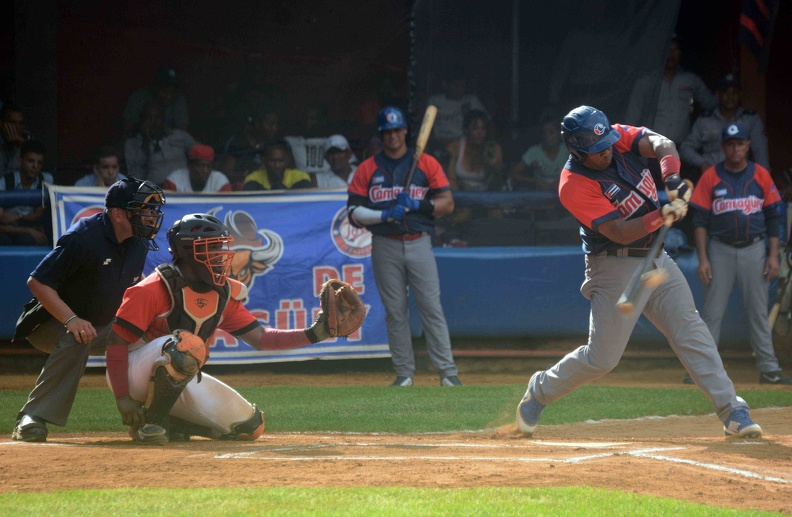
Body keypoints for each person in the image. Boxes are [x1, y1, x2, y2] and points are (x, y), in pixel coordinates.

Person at [516, 105, 764, 440]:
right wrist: (662, 214)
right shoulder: (572, 183)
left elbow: (662, 144)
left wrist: (672, 179)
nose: (605, 152)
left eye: (607, 145)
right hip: (613, 265)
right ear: (575, 150)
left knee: (690, 329)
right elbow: (618, 231)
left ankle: (732, 410)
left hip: (655, 258)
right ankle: (541, 389)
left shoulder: (614, 138)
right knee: (602, 358)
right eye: (595, 151)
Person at [104, 213, 342, 443]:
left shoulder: (222, 293)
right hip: (133, 373)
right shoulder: (153, 289)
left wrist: (314, 333)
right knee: (186, 346)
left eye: (221, 246)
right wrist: (122, 398)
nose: (220, 255)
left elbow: (261, 338)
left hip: (176, 373)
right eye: (212, 247)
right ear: (187, 251)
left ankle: (169, 421)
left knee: (249, 427)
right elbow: (116, 343)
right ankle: (151, 424)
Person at [10, 178, 165, 442]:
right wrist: (72, 319)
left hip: (103, 323)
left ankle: (146, 417)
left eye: (153, 210)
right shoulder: (83, 238)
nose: (151, 216)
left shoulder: (138, 242)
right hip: (51, 323)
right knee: (81, 334)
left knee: (156, 341)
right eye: (143, 209)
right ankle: (32, 416)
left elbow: (131, 289)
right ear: (118, 214)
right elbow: (37, 282)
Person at [347, 106, 462, 387]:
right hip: (384, 244)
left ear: (405, 131)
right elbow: (353, 213)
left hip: (419, 242)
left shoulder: (426, 163)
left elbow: (447, 204)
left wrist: (418, 204)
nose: (393, 136)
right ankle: (404, 374)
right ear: (381, 135)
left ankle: (447, 373)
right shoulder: (367, 168)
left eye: (397, 130)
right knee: (395, 311)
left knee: (430, 308)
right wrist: (384, 215)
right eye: (388, 132)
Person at [689, 123, 792, 385]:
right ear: (724, 147)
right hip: (719, 249)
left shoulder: (761, 175)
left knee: (758, 312)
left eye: (740, 144)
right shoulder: (711, 176)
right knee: (712, 313)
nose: (735, 149)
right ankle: (705, 371)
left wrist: (772, 255)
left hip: (754, 250)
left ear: (748, 145)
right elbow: (699, 220)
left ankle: (769, 368)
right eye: (731, 144)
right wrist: (703, 258)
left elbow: (772, 216)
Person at [625, 36, 717, 146]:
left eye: (675, 50)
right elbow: (632, 118)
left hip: (682, 148)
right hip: (652, 149)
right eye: (668, 50)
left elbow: (712, 105)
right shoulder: (646, 82)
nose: (671, 54)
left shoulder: (691, 80)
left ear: (681, 53)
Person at [681, 74, 770, 178]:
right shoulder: (705, 121)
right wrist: (702, 163)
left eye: (734, 92)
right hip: (712, 177)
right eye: (725, 92)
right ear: (718, 94)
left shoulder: (751, 119)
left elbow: (761, 153)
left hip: (742, 178)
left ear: (740, 94)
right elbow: (685, 149)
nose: (730, 96)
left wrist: (764, 179)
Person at [124, 100, 196, 186]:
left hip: (183, 187)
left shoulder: (179, 136)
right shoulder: (132, 143)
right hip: (154, 190)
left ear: (163, 119)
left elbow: (202, 155)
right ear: (142, 120)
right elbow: (135, 175)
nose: (153, 122)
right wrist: (146, 141)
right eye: (148, 118)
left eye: (157, 117)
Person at [0, 139, 53, 246]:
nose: (35, 166)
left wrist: (17, 216)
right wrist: (27, 229)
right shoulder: (6, 181)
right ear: (20, 161)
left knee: (27, 241)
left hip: (31, 229)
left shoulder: (45, 180)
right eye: (30, 161)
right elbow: (1, 218)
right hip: (6, 230)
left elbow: (37, 215)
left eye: (39, 163)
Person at [122, 65, 189, 138]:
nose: (169, 96)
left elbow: (182, 134)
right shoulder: (139, 97)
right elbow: (127, 130)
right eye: (165, 91)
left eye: (172, 92)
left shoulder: (179, 100)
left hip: (168, 144)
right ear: (155, 87)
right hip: (139, 142)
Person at [426, 70, 488, 149]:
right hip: (438, 145)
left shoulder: (471, 101)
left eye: (463, 86)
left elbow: (487, 123)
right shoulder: (434, 101)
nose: (460, 89)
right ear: (445, 85)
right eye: (457, 86)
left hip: (464, 146)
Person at [445, 110, 503, 192]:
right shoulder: (455, 147)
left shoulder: (494, 149)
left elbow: (497, 186)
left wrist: (495, 167)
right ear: (466, 130)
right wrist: (463, 196)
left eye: (483, 129)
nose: (480, 133)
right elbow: (450, 180)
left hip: (487, 197)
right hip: (460, 196)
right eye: (475, 129)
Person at [509, 114, 567, 191]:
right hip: (540, 195)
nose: (547, 136)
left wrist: (562, 181)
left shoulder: (568, 151)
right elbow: (514, 173)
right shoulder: (534, 151)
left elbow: (581, 173)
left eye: (551, 132)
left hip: (564, 194)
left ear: (559, 134)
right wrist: (536, 180)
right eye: (545, 132)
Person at [243, 141, 311, 191]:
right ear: (264, 161)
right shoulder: (253, 178)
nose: (277, 165)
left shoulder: (300, 177)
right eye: (272, 161)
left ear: (287, 161)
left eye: (281, 161)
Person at [163, 143, 232, 193]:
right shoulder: (174, 181)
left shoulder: (220, 182)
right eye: (201, 166)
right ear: (189, 166)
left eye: (209, 166)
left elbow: (228, 208)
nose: (205, 170)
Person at [0, 102, 31, 176]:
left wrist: (24, 146)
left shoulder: (26, 137)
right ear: (1, 124)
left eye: (21, 123)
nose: (17, 127)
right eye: (12, 123)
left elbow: (34, 170)